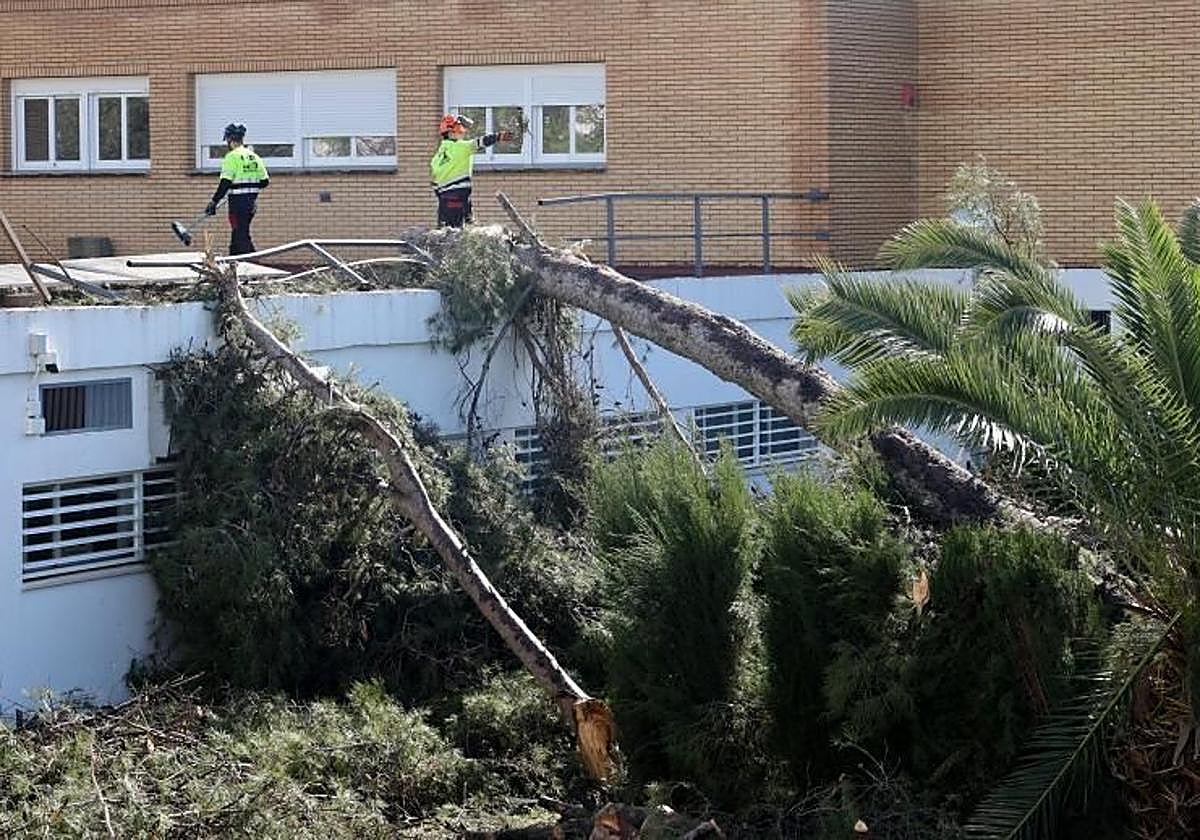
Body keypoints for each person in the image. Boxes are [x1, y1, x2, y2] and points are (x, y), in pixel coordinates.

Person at [430, 114, 512, 227]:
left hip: (444, 201)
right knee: (460, 232)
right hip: (458, 198)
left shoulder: (439, 154)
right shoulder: (461, 147)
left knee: (445, 232)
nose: (462, 132)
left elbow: (434, 182)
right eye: (459, 129)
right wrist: (498, 136)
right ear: (451, 132)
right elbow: (480, 142)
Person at [205, 123, 269, 255]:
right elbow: (264, 182)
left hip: (237, 205)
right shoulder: (254, 157)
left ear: (229, 140)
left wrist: (214, 202)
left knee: (240, 236)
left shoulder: (231, 157)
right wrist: (249, 188)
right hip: (251, 204)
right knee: (240, 234)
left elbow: (225, 183)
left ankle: (252, 265)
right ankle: (235, 264)